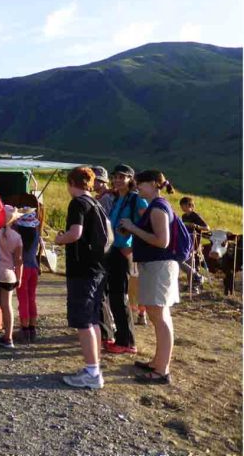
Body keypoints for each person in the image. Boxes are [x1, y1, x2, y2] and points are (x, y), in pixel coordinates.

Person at [118, 170, 179, 385]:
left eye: (141, 183)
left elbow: (162, 241)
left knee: (160, 317)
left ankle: (162, 370)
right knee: (158, 316)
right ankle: (158, 362)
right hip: (157, 266)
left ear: (154, 184)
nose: (138, 187)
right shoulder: (157, 206)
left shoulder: (158, 207)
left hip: (158, 266)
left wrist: (133, 228)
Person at [54, 166, 106, 389]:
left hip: (82, 270)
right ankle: (93, 366)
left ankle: (92, 372)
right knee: (93, 319)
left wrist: (60, 239)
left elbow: (76, 233)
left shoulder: (78, 203)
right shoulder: (96, 203)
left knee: (83, 321)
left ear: (71, 183)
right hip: (98, 268)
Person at [104, 164, 148, 354]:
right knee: (114, 296)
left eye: (122, 177)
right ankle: (123, 339)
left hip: (123, 252)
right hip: (112, 250)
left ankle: (127, 342)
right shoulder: (116, 199)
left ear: (131, 179)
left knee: (120, 296)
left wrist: (133, 244)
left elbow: (148, 224)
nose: (117, 180)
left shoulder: (136, 200)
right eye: (115, 177)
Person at [92, 166, 117, 347]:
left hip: (106, 249)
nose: (97, 184)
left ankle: (107, 329)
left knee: (103, 292)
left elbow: (104, 224)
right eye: (96, 180)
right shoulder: (101, 197)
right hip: (106, 248)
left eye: (100, 181)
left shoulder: (106, 199)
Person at [0, 206, 25, 349]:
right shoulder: (17, 237)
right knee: (7, 307)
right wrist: (19, 278)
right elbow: (19, 261)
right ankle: (8, 338)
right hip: (9, 276)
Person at [15, 210, 41, 342]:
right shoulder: (36, 234)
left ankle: (24, 329)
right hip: (34, 267)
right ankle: (32, 328)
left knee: (23, 300)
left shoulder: (18, 237)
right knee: (31, 298)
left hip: (22, 269)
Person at [179, 196, 209, 293]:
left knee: (191, 262)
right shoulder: (183, 217)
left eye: (183, 206)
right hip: (185, 242)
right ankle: (191, 284)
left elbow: (207, 227)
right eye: (181, 206)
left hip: (194, 242)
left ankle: (194, 285)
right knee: (187, 263)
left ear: (190, 205)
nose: (182, 208)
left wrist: (196, 226)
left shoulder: (196, 216)